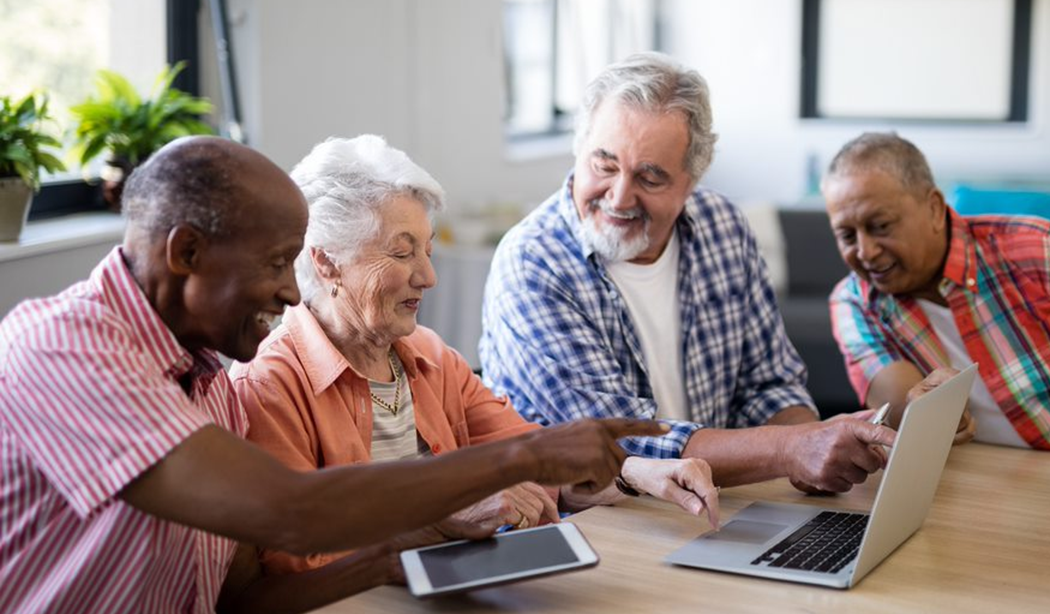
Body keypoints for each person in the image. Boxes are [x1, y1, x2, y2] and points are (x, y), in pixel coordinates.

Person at [0, 136, 662, 614]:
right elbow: (291, 511)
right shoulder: (64, 345)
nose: (293, 293)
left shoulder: (209, 388)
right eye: (278, 263)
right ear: (187, 254)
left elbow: (242, 609)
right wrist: (524, 455)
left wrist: (397, 558)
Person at [230, 134, 720, 579]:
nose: (428, 276)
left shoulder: (429, 356)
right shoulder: (270, 383)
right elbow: (294, 564)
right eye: (402, 254)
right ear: (325, 260)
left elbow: (535, 455)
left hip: (456, 598)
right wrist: (439, 519)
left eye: (426, 250)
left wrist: (637, 472)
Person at [479, 52, 896, 496]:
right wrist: (791, 448)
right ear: (579, 151)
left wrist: (813, 452)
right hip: (596, 522)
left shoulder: (724, 227)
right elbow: (617, 440)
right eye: (604, 165)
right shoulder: (532, 264)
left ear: (690, 181)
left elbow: (768, 384)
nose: (619, 197)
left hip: (714, 507)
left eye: (650, 177)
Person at [822, 131, 1050, 468]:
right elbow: (902, 409)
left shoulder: (1041, 251)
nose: (866, 252)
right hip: (986, 499)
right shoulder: (855, 302)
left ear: (934, 209)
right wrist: (927, 412)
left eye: (880, 226)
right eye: (847, 236)